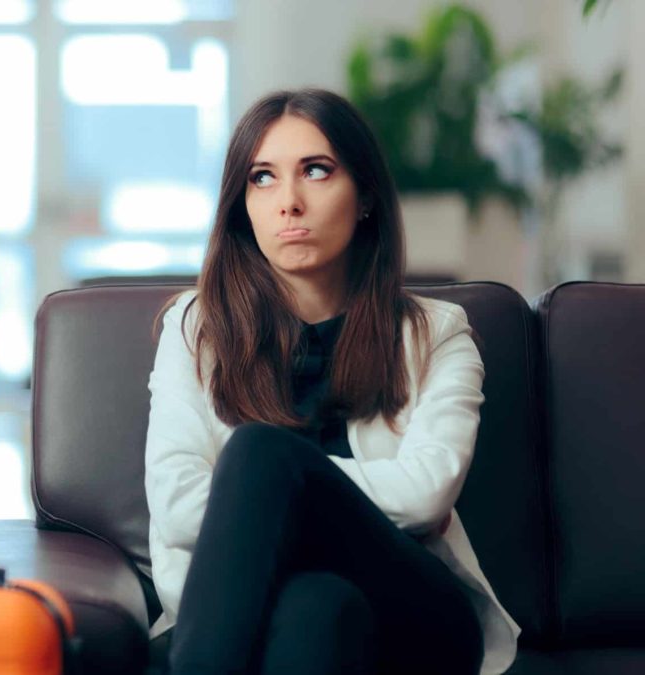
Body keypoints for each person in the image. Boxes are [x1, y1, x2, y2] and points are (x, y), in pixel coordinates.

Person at [143, 89, 521, 675]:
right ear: (241, 204)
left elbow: (427, 491)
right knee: (317, 607)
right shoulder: (197, 329)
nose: (288, 203)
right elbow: (174, 505)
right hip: (267, 613)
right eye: (262, 179)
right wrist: (309, 500)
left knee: (261, 455)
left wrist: (271, 495)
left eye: (316, 171)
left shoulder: (437, 334)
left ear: (366, 194)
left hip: (417, 613)